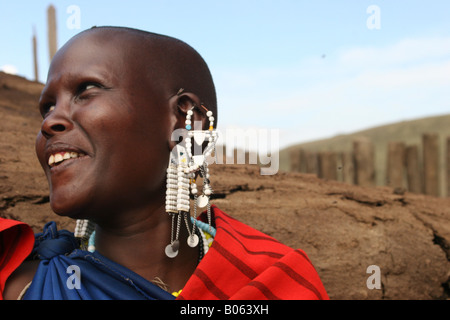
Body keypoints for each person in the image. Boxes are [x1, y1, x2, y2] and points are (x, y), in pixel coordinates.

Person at [0, 26, 328, 300]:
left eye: (86, 90)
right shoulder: (22, 286)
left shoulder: (277, 282)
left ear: (188, 123)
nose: (49, 122)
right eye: (47, 107)